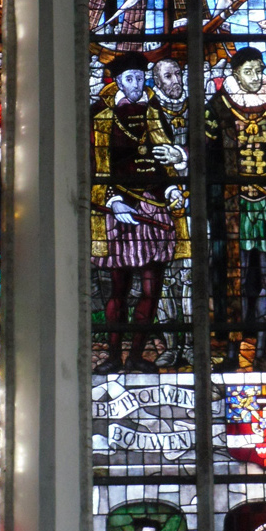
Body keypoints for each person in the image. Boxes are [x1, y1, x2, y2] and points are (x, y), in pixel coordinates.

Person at [206, 48, 266, 372]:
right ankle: (233, 350)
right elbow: (204, 156)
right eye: (249, 71)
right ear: (234, 74)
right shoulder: (217, 108)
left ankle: (263, 349)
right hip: (233, 210)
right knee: (236, 278)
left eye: (259, 70)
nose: (256, 76)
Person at [90, 54, 182, 370]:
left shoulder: (155, 112)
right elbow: (91, 163)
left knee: (150, 288)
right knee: (118, 286)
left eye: (140, 78)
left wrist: (171, 188)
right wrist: (113, 201)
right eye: (129, 79)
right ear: (116, 81)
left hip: (153, 210)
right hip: (118, 210)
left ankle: (136, 357)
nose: (136, 85)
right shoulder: (99, 116)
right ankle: (114, 357)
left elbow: (164, 156)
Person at [149, 56, 193, 367]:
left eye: (178, 72)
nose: (175, 79)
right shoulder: (149, 113)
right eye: (168, 75)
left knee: (190, 277)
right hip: (161, 208)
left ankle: (191, 342)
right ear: (157, 82)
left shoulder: (197, 108)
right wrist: (167, 189)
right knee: (165, 279)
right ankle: (170, 343)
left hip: (193, 207)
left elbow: (213, 147)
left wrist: (182, 155)